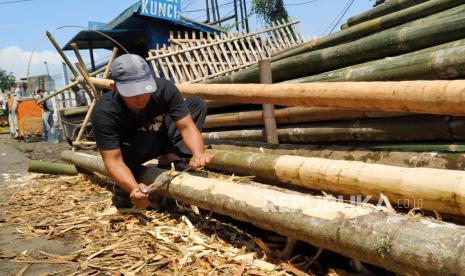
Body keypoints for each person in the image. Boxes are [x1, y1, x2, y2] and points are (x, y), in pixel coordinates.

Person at [91, 54, 212, 209]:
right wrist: (133, 188)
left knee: (195, 104)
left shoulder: (164, 89)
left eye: (144, 90)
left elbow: (186, 126)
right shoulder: (104, 112)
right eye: (132, 93)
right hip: (133, 151)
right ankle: (125, 187)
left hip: (159, 136)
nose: (140, 98)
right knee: (128, 195)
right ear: (115, 86)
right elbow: (113, 161)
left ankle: (176, 159)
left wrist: (198, 153)